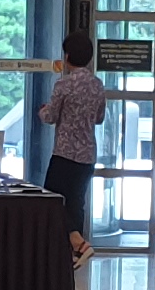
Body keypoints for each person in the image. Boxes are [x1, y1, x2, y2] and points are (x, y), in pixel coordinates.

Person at [40, 33, 107, 256]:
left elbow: (50, 116)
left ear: (67, 56)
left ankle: (73, 244)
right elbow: (99, 118)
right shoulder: (97, 85)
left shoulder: (64, 84)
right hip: (87, 155)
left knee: (53, 200)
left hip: (64, 153)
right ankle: (75, 251)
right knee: (77, 203)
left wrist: (42, 110)